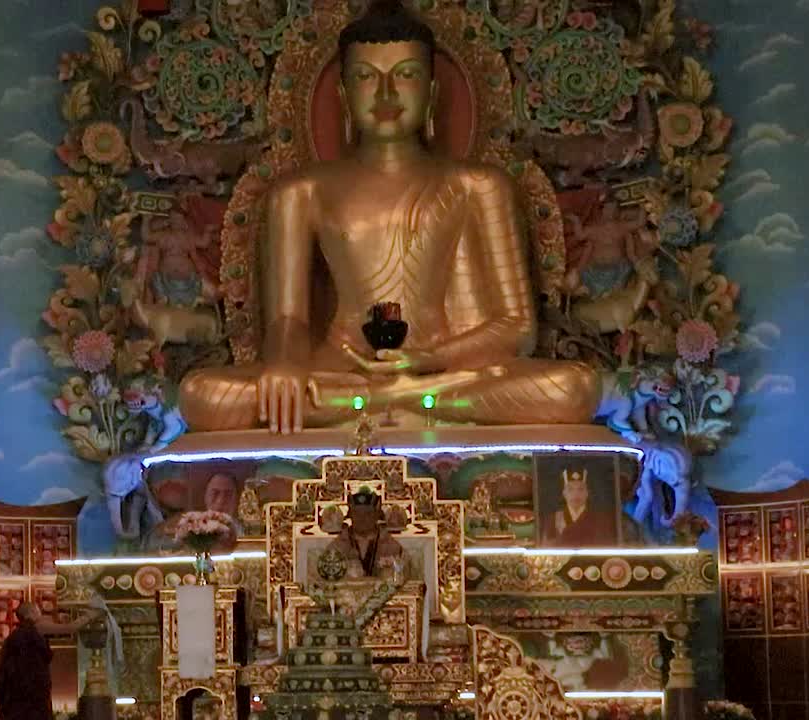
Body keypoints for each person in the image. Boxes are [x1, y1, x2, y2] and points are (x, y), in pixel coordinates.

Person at [178, 0, 600, 434]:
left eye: (405, 75)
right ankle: (407, 406)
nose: (385, 95)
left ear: (432, 93)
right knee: (203, 395)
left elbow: (517, 329)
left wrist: (424, 362)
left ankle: (384, 404)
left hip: (443, 372)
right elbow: (289, 319)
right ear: (343, 96)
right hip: (339, 369)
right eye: (366, 77)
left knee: (574, 387)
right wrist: (284, 364)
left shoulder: (479, 187)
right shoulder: (300, 193)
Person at [0, 602, 97, 720]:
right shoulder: (37, 627)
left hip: (16, 698)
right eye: (38, 610)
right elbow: (70, 628)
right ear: (31, 613)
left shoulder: (13, 637)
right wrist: (90, 616)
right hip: (33, 695)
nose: (40, 614)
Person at [324, 487, 406, 578]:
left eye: (367, 514)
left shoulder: (391, 546)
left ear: (376, 515)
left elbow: (403, 572)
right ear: (350, 516)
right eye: (357, 514)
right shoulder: (337, 546)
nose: (362, 518)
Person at [543, 470, 618, 547]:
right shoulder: (553, 519)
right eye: (570, 489)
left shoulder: (600, 520)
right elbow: (547, 548)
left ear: (587, 493)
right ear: (564, 493)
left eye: (581, 489)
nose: (576, 494)